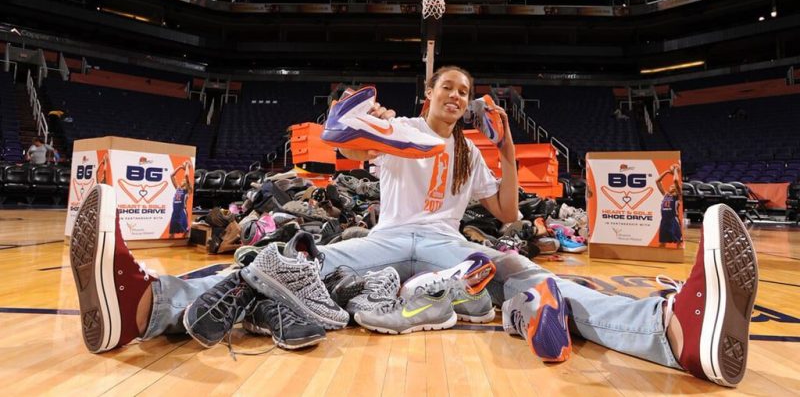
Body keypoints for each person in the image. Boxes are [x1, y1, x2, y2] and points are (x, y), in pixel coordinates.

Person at [69, 66, 758, 388]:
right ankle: (144, 306)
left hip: (448, 247)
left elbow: (508, 215)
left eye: (466, 91)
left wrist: (507, 152)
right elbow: (344, 142)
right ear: (428, 95)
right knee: (281, 264)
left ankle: (674, 334)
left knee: (532, 275)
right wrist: (352, 118)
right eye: (448, 87)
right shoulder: (398, 130)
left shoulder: (471, 153)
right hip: (387, 238)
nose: (457, 95)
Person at [657, 164, 683, 245]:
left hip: (673, 220)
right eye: (671, 186)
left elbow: (675, 181)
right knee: (662, 243)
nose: (672, 186)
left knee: (678, 242)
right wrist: (667, 172)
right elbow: (657, 181)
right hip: (664, 220)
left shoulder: (678, 195)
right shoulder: (666, 194)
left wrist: (675, 169)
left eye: (674, 186)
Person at [169, 161, 193, 238]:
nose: (183, 180)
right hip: (175, 212)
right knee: (172, 233)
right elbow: (172, 175)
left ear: (187, 183)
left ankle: (186, 240)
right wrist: (180, 167)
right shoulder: (178, 188)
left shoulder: (188, 190)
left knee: (185, 231)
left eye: (184, 180)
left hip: (182, 211)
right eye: (183, 180)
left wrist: (187, 166)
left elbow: (186, 175)